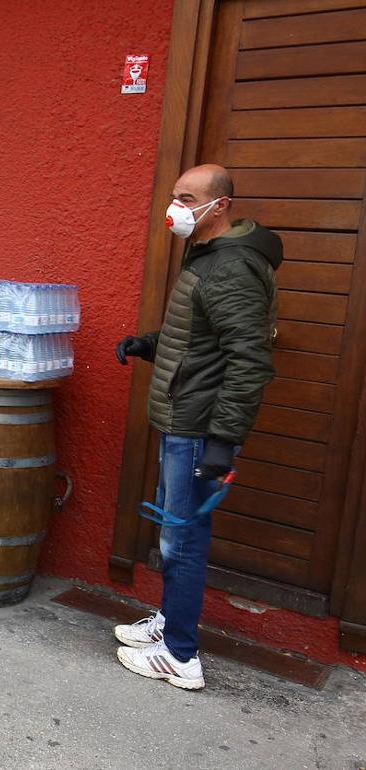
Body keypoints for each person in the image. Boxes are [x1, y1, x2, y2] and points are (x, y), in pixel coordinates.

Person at [113, 164, 282, 690]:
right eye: (174, 195)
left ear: (220, 205)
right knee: (174, 533)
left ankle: (181, 655)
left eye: (187, 198)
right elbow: (199, 336)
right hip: (184, 419)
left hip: (198, 427)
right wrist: (151, 344)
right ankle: (171, 623)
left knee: (182, 539)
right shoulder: (209, 256)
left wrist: (223, 441)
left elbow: (248, 360)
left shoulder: (230, 268)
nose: (175, 207)